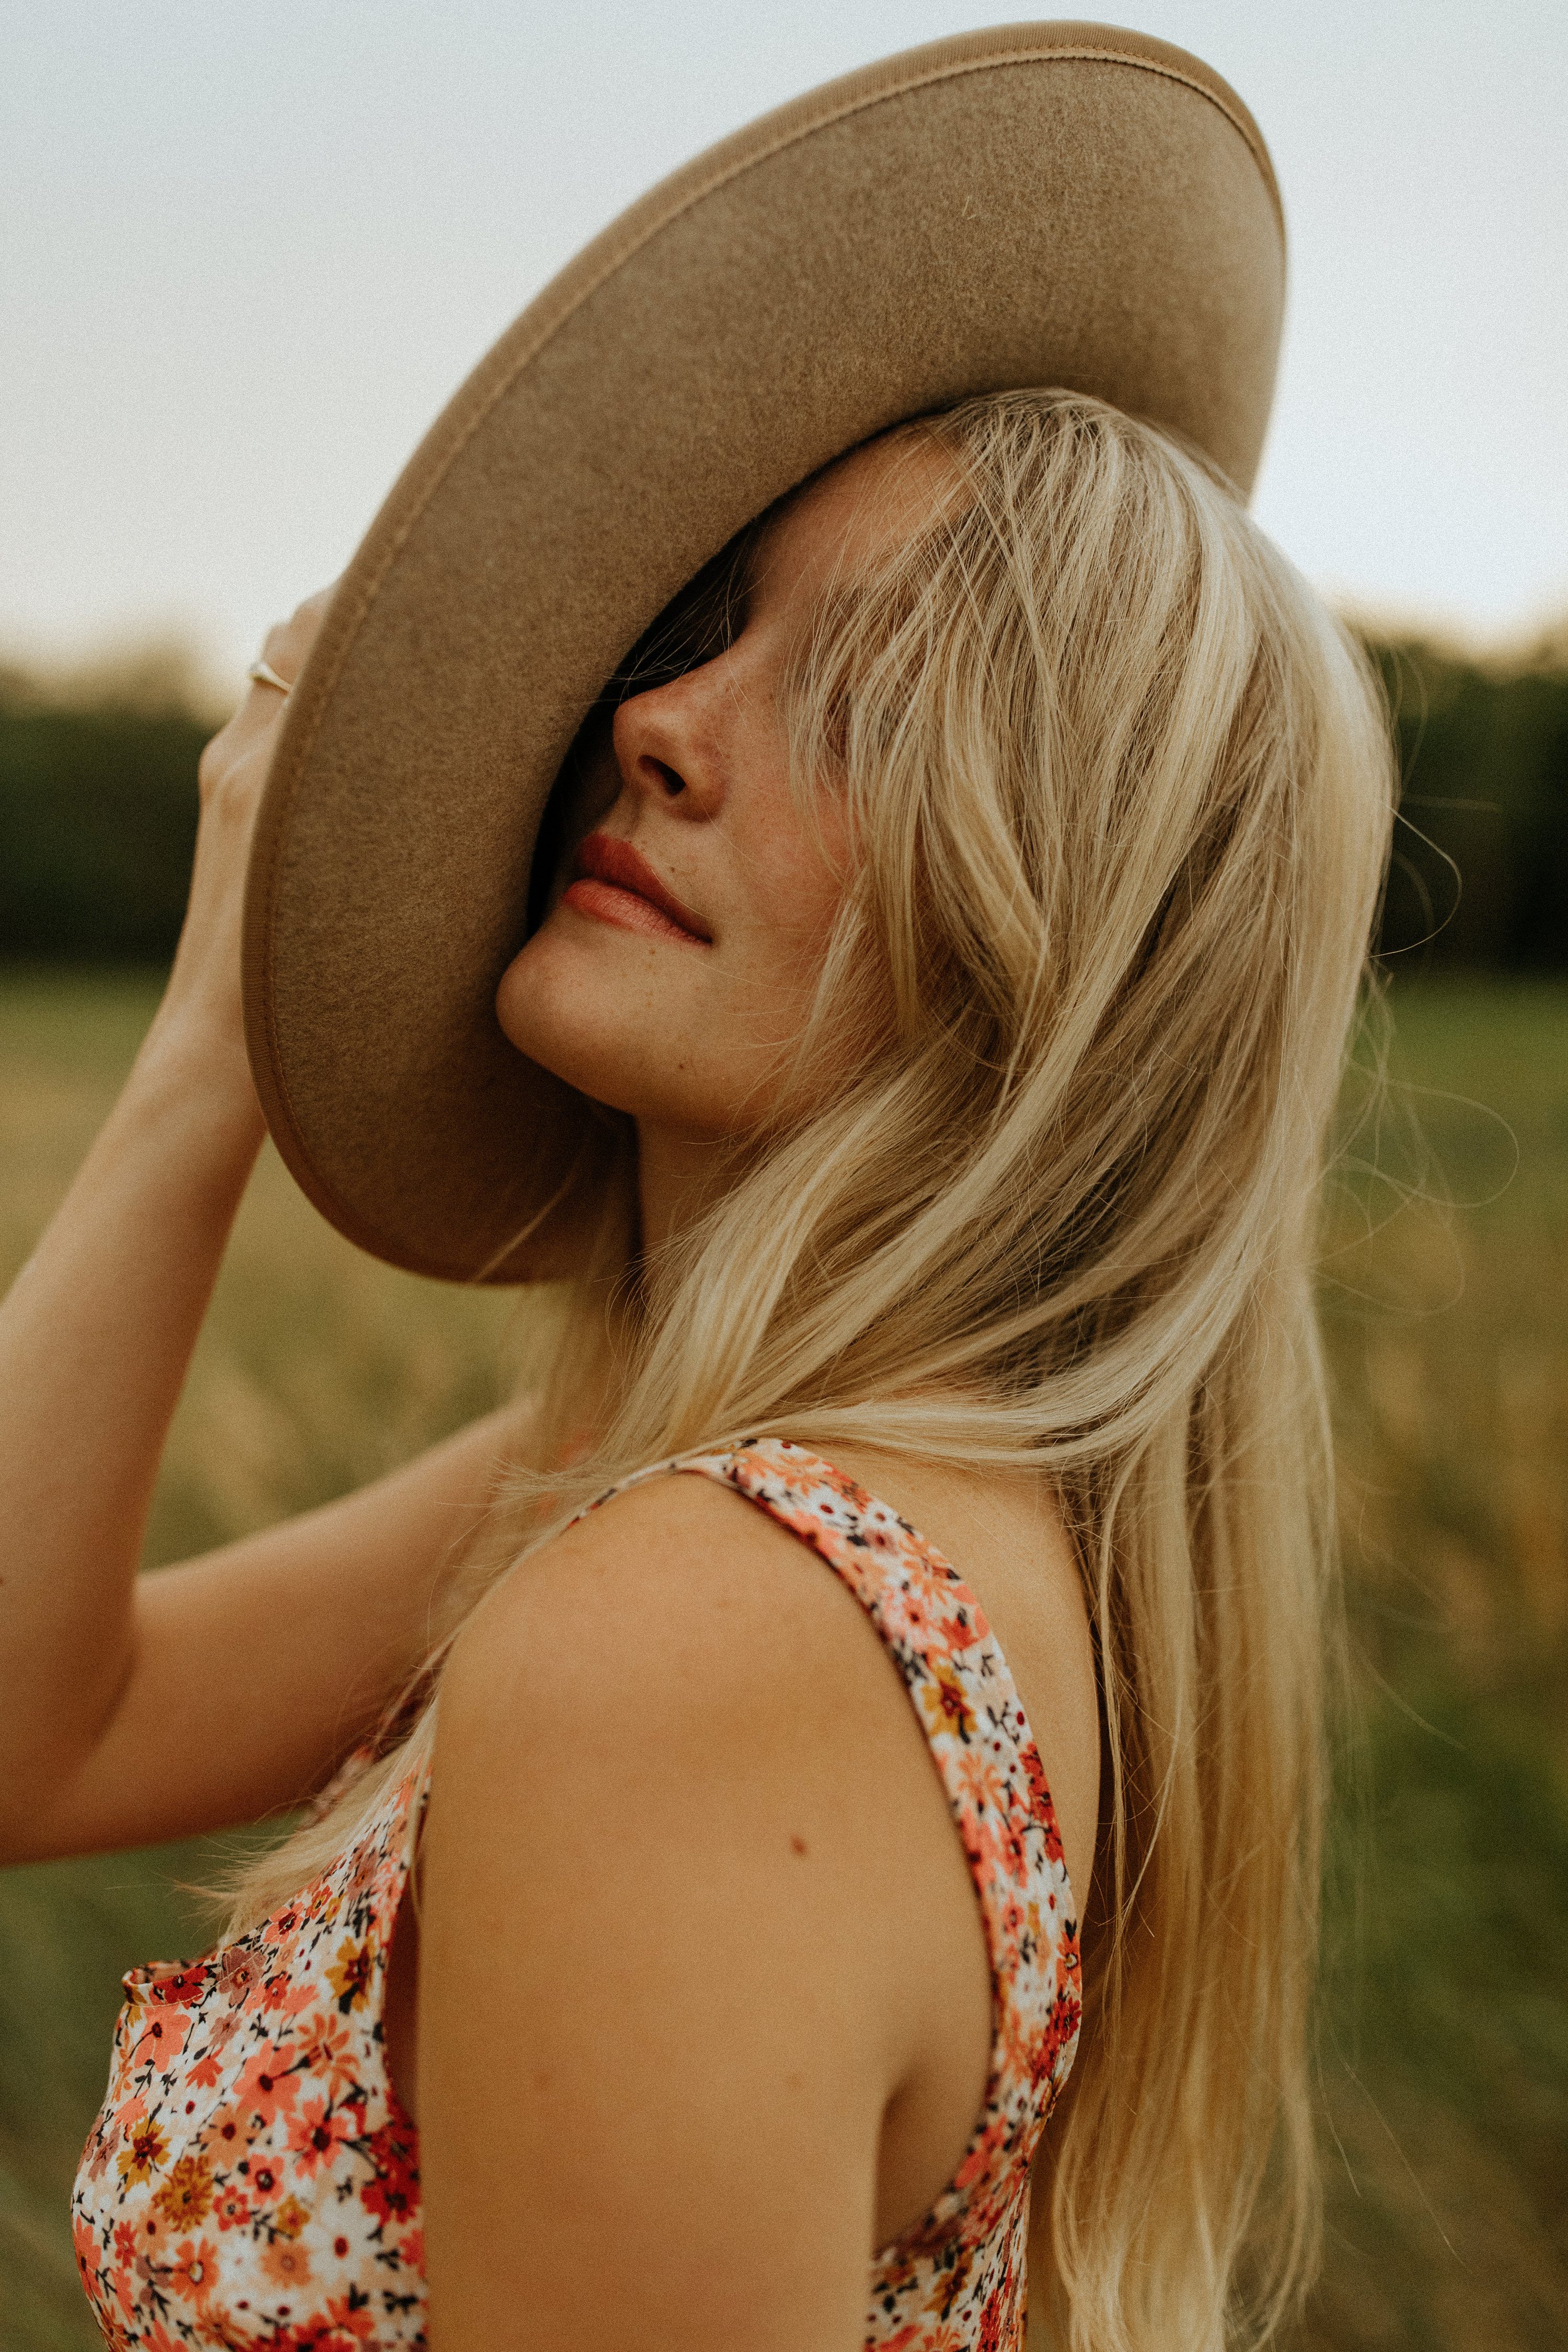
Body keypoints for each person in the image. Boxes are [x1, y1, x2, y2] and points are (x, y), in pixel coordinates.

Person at [0, 30, 1394, 2352]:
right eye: (708, 630)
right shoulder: (752, 1502)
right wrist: (206, 1059)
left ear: (1046, 928)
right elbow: (33, 1732)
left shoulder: (705, 1627)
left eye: (855, 700)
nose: (659, 720)